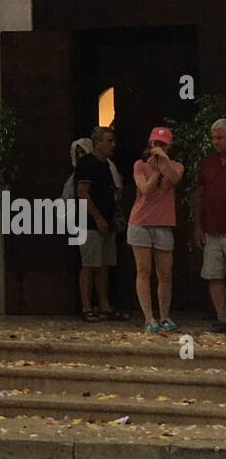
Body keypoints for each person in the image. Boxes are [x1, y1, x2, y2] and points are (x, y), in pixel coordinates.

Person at [127, 127, 183, 333]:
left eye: (162, 144)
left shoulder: (176, 166)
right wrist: (156, 170)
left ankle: (165, 315)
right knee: (144, 270)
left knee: (165, 272)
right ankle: (149, 318)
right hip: (141, 222)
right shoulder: (140, 165)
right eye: (154, 144)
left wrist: (164, 163)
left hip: (163, 223)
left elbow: (176, 180)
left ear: (169, 146)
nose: (157, 147)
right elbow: (145, 190)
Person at [75, 126, 128, 322]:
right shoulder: (87, 164)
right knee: (89, 265)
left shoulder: (105, 165)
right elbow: (83, 192)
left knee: (104, 265)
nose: (112, 145)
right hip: (89, 224)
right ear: (97, 142)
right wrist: (97, 217)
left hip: (107, 222)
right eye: (109, 141)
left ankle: (105, 306)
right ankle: (87, 307)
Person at [194, 119, 226, 333]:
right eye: (214, 138)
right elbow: (199, 194)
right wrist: (198, 225)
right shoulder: (207, 162)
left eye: (220, 137)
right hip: (212, 229)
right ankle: (222, 318)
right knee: (214, 275)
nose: (216, 141)